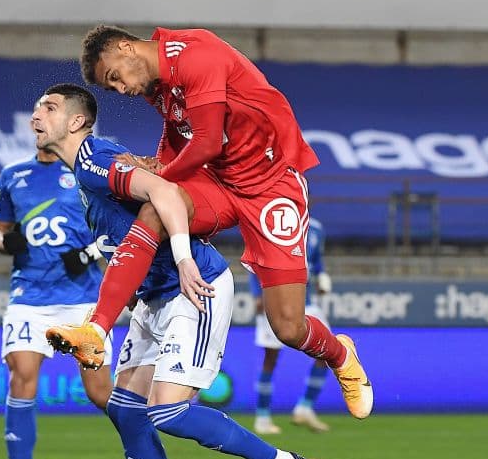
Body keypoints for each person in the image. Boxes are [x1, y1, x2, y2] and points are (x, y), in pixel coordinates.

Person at [36, 83, 311, 459]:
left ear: (77, 121)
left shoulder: (93, 158)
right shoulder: (85, 174)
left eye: (50, 107)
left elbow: (164, 192)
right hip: (154, 300)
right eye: (38, 107)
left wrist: (183, 258)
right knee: (125, 410)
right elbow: (129, 242)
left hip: (194, 290)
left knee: (166, 411)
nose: (37, 115)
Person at [50, 25, 371, 420]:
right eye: (111, 87)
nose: (120, 89)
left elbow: (206, 142)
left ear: (126, 47)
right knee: (157, 208)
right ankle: (96, 329)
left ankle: (341, 355)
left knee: (287, 327)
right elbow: (176, 131)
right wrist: (159, 166)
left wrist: (160, 174)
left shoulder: (197, 54)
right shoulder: (155, 84)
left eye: (115, 76)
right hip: (217, 181)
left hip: (271, 185)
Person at [0, 140, 113, 459]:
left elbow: (117, 227)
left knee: (100, 393)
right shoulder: (12, 175)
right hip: (28, 296)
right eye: (37, 115)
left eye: (47, 113)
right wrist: (5, 241)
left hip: (82, 298)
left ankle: (150, 439)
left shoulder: (87, 172)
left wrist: (90, 253)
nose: (39, 120)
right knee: (21, 377)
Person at [253, 217, 333, 434]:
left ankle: (305, 408)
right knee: (270, 359)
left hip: (306, 302)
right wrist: (257, 294)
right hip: (275, 300)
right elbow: (255, 259)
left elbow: (316, 261)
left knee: (328, 352)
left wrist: (322, 277)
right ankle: (262, 417)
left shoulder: (316, 228)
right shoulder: (273, 221)